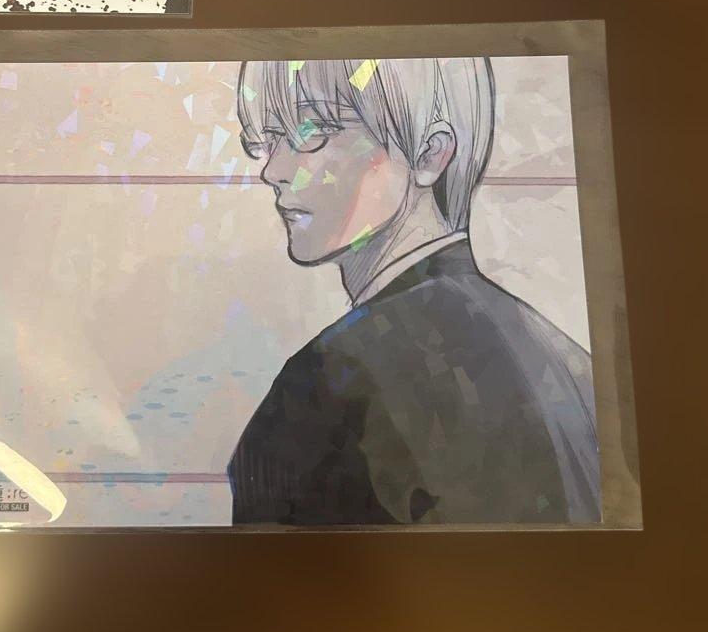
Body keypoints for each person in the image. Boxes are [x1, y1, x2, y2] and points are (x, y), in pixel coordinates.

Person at [227, 57, 601, 525]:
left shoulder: (329, 382)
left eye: (312, 130)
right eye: (266, 138)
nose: (273, 169)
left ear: (429, 154)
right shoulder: (569, 364)